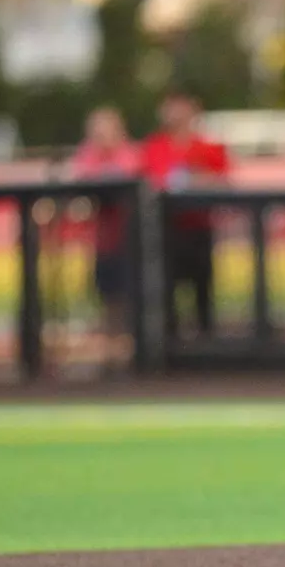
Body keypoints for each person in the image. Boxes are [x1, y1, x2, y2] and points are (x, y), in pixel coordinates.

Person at [142, 84, 230, 338]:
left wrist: (196, 180)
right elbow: (149, 181)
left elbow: (223, 181)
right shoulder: (155, 146)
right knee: (166, 290)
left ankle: (206, 339)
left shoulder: (208, 147)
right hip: (164, 230)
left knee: (203, 289)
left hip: (199, 227)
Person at [69, 106, 142, 367]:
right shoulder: (88, 154)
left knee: (131, 298)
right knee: (107, 297)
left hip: (133, 242)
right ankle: (111, 354)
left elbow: (129, 176)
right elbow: (80, 181)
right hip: (103, 243)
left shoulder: (129, 153)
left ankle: (131, 352)